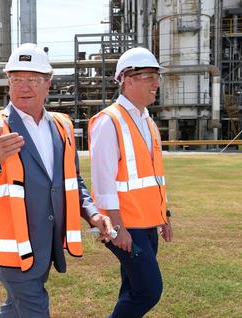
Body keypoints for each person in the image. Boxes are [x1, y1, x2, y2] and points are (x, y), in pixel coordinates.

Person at [0, 43, 112, 318]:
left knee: (15, 309)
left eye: (32, 80)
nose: (23, 87)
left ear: (48, 83)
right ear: (8, 83)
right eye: (16, 80)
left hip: (45, 246)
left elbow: (72, 181)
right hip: (11, 252)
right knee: (34, 309)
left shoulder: (62, 125)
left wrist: (92, 213)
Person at [88, 47, 173, 318]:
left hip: (148, 226)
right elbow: (103, 182)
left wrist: (164, 216)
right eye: (149, 76)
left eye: (157, 77)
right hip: (125, 227)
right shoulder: (108, 122)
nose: (156, 83)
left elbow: (154, 177)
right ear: (128, 79)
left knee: (133, 290)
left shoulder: (147, 122)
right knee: (149, 290)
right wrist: (117, 229)